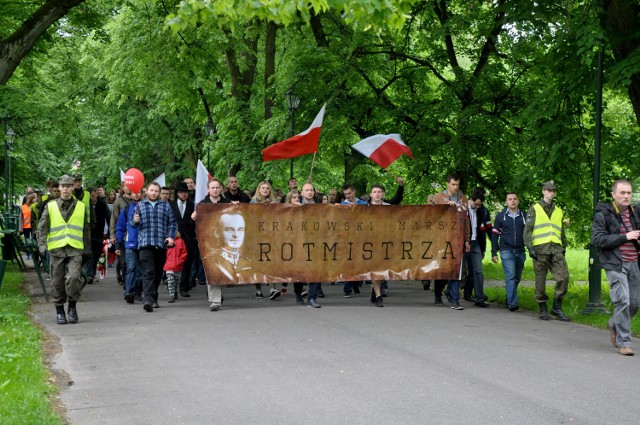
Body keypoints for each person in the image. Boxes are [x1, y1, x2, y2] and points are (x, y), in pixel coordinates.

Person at [592, 179, 640, 356]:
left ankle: (614, 323)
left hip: (634, 262)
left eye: (628, 193)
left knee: (634, 303)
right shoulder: (603, 214)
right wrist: (625, 237)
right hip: (615, 264)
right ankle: (624, 342)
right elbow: (598, 240)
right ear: (614, 194)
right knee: (623, 301)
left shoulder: (636, 212)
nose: (626, 196)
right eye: (622, 193)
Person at [37, 175, 91, 324]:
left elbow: (86, 229)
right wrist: (42, 245)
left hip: (75, 248)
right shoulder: (51, 206)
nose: (66, 189)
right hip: (57, 249)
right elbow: (42, 228)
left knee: (74, 277)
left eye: (69, 186)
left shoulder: (81, 206)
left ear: (73, 187)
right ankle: (59, 309)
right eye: (63, 186)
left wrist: (87, 249)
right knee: (57, 281)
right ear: (59, 188)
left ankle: (72, 306)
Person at [524, 180, 571, 322]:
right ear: (543, 191)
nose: (551, 193)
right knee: (540, 280)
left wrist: (564, 246)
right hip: (539, 249)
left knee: (564, 277)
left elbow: (561, 231)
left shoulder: (558, 210)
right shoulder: (535, 208)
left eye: (553, 191)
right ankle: (542, 308)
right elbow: (528, 229)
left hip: (556, 248)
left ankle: (557, 307)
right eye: (549, 190)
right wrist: (530, 247)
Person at [131, 182, 177, 312]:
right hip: (145, 244)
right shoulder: (140, 205)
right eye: (152, 190)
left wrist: (170, 237)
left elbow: (172, 223)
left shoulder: (165, 205)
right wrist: (135, 221)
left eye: (156, 191)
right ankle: (148, 299)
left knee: (157, 273)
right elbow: (132, 224)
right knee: (148, 272)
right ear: (147, 191)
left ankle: (154, 296)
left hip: (161, 244)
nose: (154, 193)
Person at [427, 172, 470, 310]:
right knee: (443, 269)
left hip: (457, 238)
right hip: (441, 238)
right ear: (447, 184)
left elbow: (466, 220)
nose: (455, 187)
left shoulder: (463, 198)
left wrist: (467, 239)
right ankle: (438, 293)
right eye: (453, 184)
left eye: (457, 185)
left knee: (456, 269)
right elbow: (430, 216)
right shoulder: (439, 197)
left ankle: (454, 299)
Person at [192, 178, 230, 310]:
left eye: (217, 187)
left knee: (222, 271)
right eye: (212, 187)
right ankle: (215, 301)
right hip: (208, 241)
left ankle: (217, 295)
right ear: (208, 189)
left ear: (221, 189)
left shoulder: (227, 203)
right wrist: (194, 217)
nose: (215, 190)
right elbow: (197, 225)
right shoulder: (202, 204)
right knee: (212, 270)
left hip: (224, 241)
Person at [491, 192, 527, 312]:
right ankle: (512, 303)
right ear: (506, 201)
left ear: (518, 201)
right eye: (510, 199)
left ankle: (509, 298)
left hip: (521, 250)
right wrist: (494, 252)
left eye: (515, 199)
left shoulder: (524, 216)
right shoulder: (501, 216)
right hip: (506, 250)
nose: (512, 201)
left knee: (517, 277)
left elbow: (529, 233)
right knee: (510, 275)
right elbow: (495, 234)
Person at [249, 180, 282, 300]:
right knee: (257, 263)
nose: (265, 190)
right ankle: (258, 289)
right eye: (263, 188)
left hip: (271, 234)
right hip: (257, 235)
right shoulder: (253, 202)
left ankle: (273, 288)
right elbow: (250, 216)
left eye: (267, 188)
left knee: (272, 261)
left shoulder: (275, 201)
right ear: (259, 189)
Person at [169, 182, 197, 298]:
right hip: (174, 238)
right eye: (181, 192)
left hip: (189, 238)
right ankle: (172, 288)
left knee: (187, 263)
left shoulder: (192, 206)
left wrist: (192, 219)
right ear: (177, 193)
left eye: (185, 192)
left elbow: (194, 224)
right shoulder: (171, 205)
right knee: (173, 264)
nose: (183, 194)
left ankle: (183, 287)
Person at [115, 190, 143, 303]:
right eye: (134, 192)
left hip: (143, 243)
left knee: (140, 270)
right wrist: (118, 245)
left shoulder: (146, 207)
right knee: (130, 267)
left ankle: (138, 292)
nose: (136, 195)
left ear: (143, 194)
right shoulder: (126, 209)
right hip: (130, 243)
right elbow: (120, 227)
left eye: (139, 192)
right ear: (130, 195)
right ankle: (129, 292)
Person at [297, 182, 322, 308]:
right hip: (298, 242)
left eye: (311, 190)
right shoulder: (294, 206)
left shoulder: (320, 207)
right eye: (306, 190)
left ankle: (312, 298)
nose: (309, 192)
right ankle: (298, 293)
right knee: (299, 270)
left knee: (316, 270)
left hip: (315, 243)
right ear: (302, 192)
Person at [465, 188, 491, 307]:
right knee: (460, 269)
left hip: (476, 243)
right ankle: (452, 291)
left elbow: (486, 230)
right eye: (475, 204)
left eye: (480, 205)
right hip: (463, 242)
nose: (477, 207)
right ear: (470, 200)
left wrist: (487, 248)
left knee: (478, 270)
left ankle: (479, 298)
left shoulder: (482, 211)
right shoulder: (463, 209)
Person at [164, 230, 188, 303]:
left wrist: (179, 262)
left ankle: (174, 293)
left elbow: (184, 253)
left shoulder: (180, 241)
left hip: (177, 266)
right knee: (171, 281)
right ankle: (172, 296)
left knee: (175, 282)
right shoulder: (166, 242)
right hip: (169, 266)